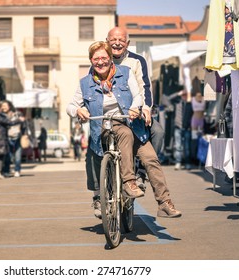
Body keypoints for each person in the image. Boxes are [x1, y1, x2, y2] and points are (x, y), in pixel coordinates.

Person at [66, 41, 181, 219]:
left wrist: (136, 107)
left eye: (104, 57)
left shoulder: (125, 74)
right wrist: (78, 110)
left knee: (150, 158)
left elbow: (137, 96)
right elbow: (71, 106)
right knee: (123, 132)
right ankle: (129, 182)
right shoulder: (85, 83)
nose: (100, 62)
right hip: (106, 129)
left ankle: (164, 202)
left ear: (110, 59)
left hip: (133, 125)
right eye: (96, 59)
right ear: (91, 61)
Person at [107, 27, 165, 155]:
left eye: (121, 40)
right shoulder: (101, 60)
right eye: (113, 40)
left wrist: (145, 109)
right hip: (110, 114)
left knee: (158, 132)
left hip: (134, 112)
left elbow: (144, 86)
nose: (117, 43)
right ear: (107, 42)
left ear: (127, 44)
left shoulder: (138, 60)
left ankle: (147, 168)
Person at [0, 100, 25, 178]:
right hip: (7, 138)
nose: (3, 107)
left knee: (18, 156)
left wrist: (25, 134)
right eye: (2, 106)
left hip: (18, 137)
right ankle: (6, 170)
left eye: (5, 105)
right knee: (8, 156)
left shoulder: (17, 114)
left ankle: (17, 170)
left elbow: (23, 124)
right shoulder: (1, 115)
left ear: (9, 106)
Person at [169, 89, 193, 170]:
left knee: (187, 147)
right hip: (178, 127)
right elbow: (169, 99)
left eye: (186, 95)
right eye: (183, 95)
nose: (184, 96)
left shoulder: (190, 104)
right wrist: (178, 93)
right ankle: (178, 162)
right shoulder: (177, 103)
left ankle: (187, 163)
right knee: (178, 146)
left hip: (187, 128)